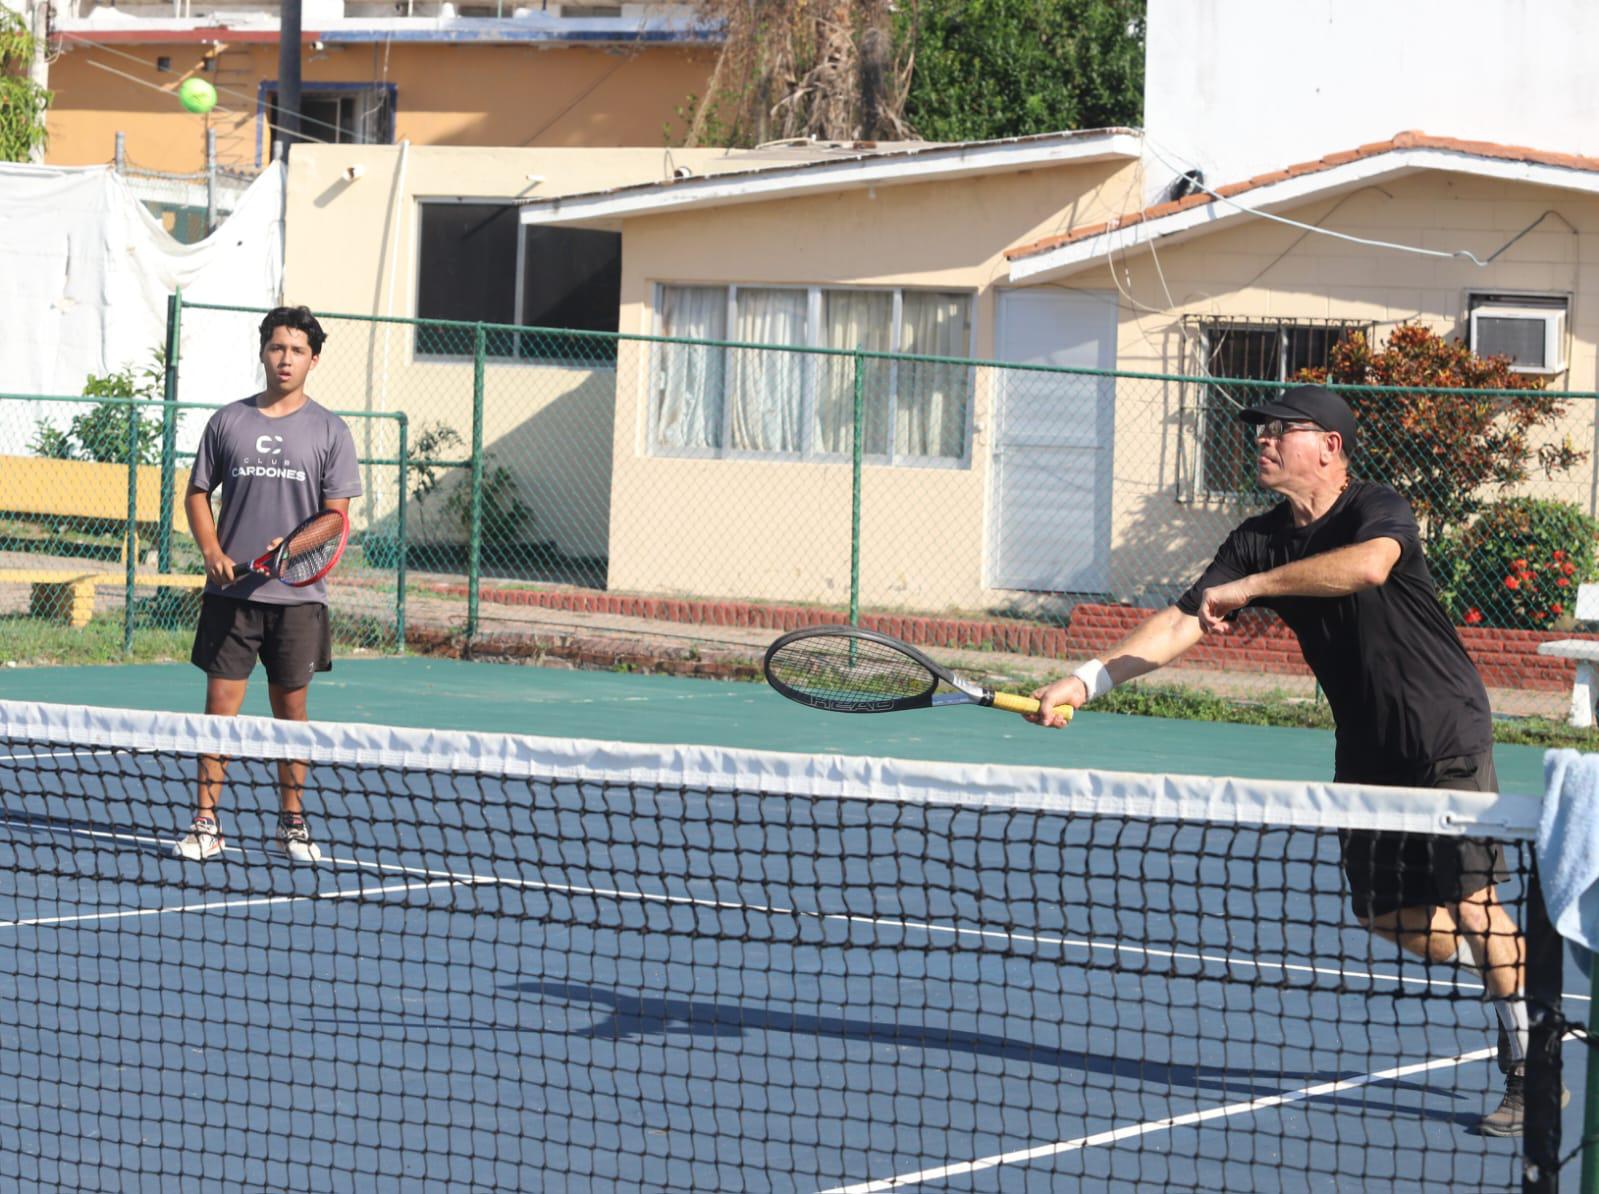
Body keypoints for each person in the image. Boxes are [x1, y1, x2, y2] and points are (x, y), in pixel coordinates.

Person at [1027, 384, 1545, 1136]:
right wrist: (1086, 679)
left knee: (1471, 899)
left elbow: (1366, 568)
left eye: (1278, 429)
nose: (1261, 440)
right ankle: (1522, 971)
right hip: (1363, 747)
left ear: (1328, 446)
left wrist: (1252, 588)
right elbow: (1183, 621)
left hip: (1442, 731)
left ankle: (1530, 1066)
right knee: (1385, 917)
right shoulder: (1257, 536)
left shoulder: (1376, 506)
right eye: (1258, 431)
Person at [174, 305, 362, 865]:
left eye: (298, 350)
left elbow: (334, 519)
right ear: (263, 352)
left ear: (314, 359)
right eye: (277, 347)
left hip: (298, 600)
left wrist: (290, 551)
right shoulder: (228, 422)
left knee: (291, 716)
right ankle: (206, 823)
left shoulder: (331, 430)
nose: (286, 358)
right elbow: (197, 493)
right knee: (219, 711)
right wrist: (211, 551)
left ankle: (292, 824)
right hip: (231, 597)